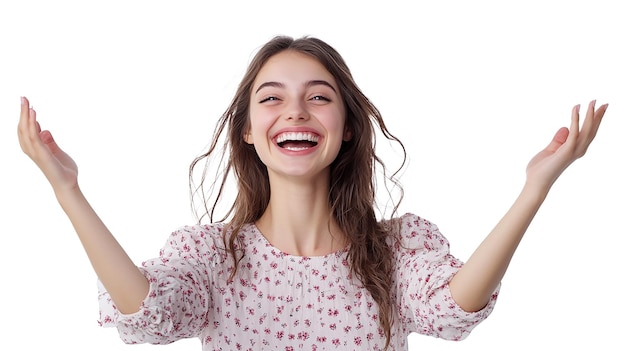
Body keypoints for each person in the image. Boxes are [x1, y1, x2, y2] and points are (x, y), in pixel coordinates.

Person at [17, 35, 609, 350]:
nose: (295, 111)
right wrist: (67, 190)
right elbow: (147, 315)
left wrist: (535, 188)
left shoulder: (397, 249)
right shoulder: (210, 257)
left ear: (346, 127)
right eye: (271, 97)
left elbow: (454, 311)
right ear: (248, 130)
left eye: (319, 96)